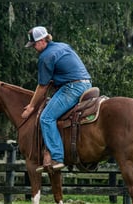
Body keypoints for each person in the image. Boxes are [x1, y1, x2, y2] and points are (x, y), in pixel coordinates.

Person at [21, 26, 92, 172]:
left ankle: (56, 157)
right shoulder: (63, 46)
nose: (34, 47)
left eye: (34, 44)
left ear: (42, 40)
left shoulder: (45, 57)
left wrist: (31, 107)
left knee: (46, 118)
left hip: (72, 88)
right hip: (87, 84)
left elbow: (42, 86)